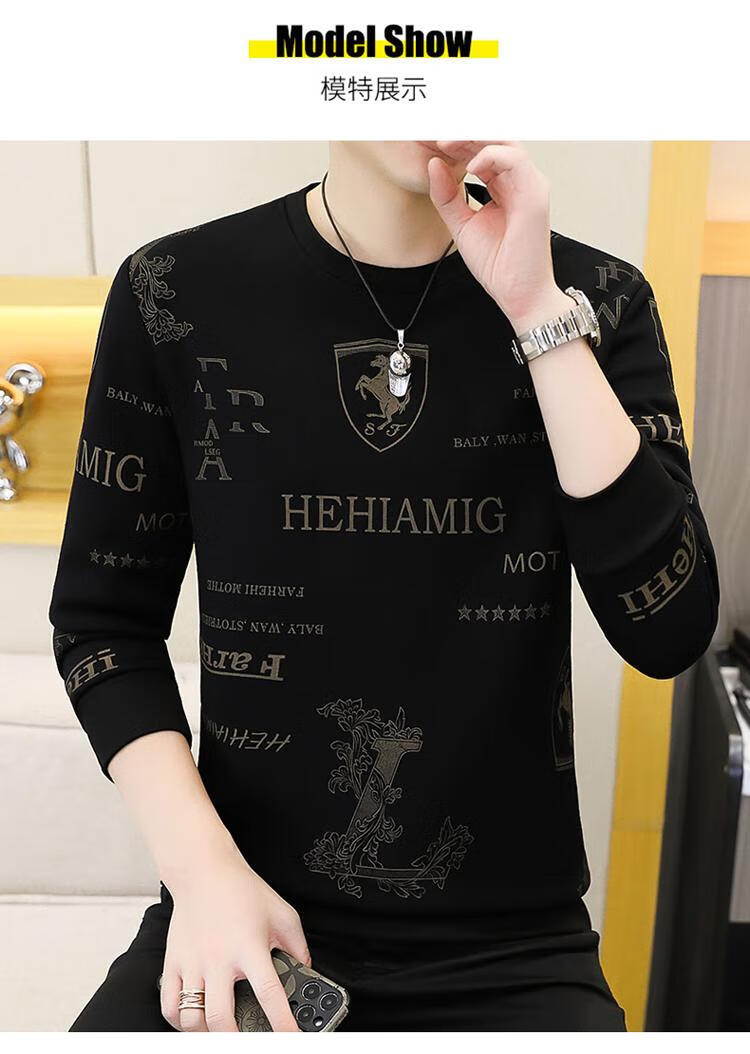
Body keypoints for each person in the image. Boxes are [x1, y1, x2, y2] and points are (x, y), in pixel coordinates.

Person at [49, 140, 719, 1032]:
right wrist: (203, 876)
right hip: (243, 921)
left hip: (511, 951)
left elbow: (669, 629)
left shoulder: (598, 298)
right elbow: (102, 627)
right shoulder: (173, 292)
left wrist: (536, 314)